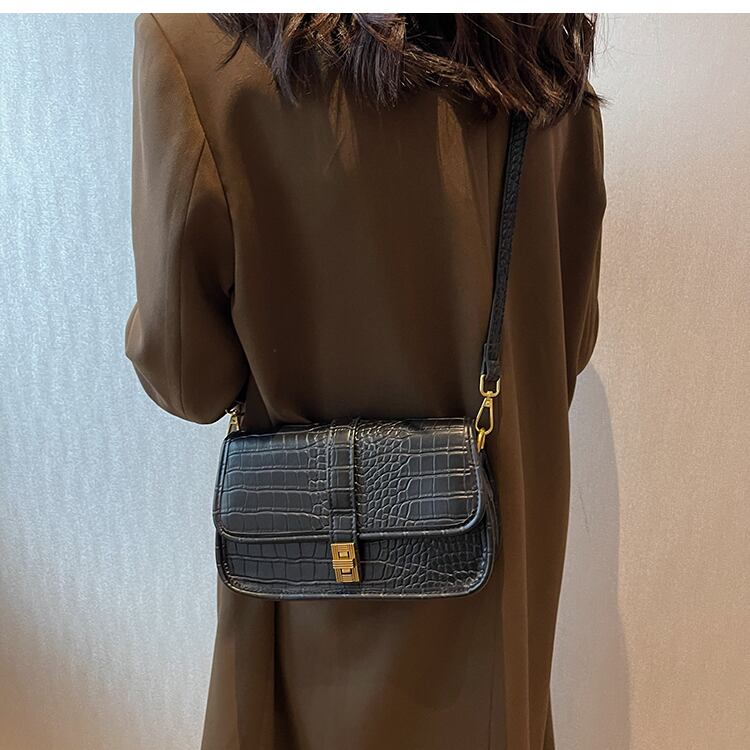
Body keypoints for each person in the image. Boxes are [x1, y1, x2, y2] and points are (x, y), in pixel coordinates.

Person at [125, 13, 606, 750]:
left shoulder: (197, 48)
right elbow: (564, 344)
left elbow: (189, 378)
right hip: (499, 602)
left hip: (307, 617)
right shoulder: (541, 56)